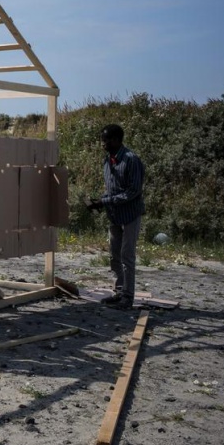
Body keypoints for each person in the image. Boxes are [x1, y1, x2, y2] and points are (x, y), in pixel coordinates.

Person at [88, 124, 145, 309]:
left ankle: (128, 298)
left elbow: (133, 191)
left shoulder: (131, 160)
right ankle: (120, 292)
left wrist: (105, 201)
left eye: (107, 140)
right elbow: (112, 189)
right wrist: (101, 201)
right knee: (114, 256)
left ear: (118, 140)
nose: (103, 144)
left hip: (130, 215)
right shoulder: (108, 160)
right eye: (102, 140)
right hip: (114, 215)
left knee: (127, 256)